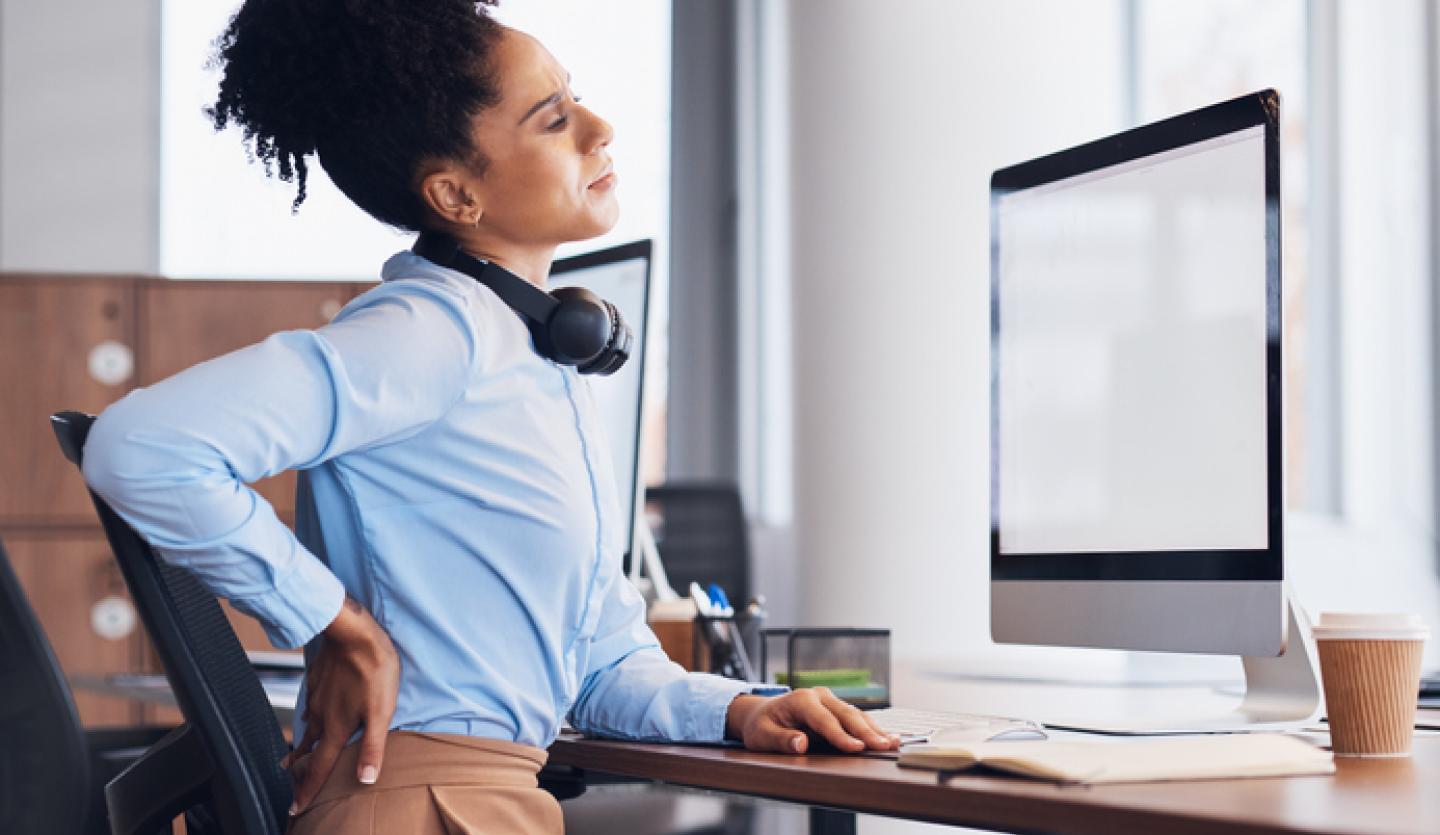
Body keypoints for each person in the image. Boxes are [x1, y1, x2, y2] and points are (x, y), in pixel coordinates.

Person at [81, 1, 899, 832]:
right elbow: (139, 445)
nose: (599, 126)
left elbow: (603, 662)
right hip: (422, 802)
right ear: (454, 193)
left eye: (575, 99)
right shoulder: (427, 334)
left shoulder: (530, 355)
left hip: (486, 798)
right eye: (554, 120)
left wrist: (741, 709)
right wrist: (336, 621)